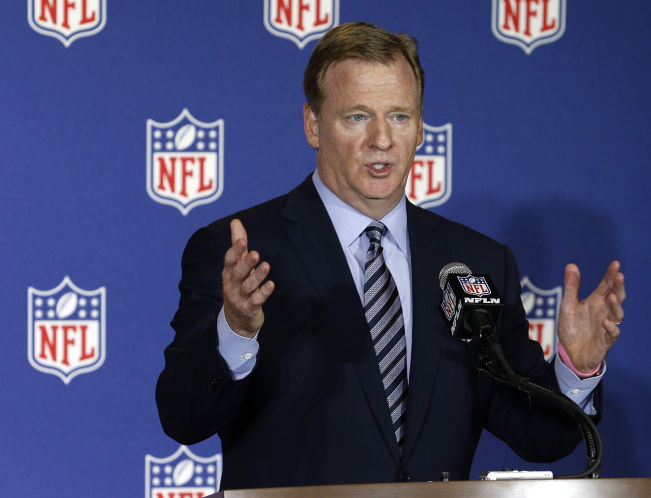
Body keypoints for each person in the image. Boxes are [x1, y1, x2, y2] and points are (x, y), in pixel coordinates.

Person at [156, 22, 625, 490]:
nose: (381, 139)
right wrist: (235, 330)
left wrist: (574, 370)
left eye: (399, 116)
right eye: (358, 116)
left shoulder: (474, 262)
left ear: (421, 128)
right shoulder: (242, 252)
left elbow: (535, 434)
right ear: (313, 125)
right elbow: (183, 417)